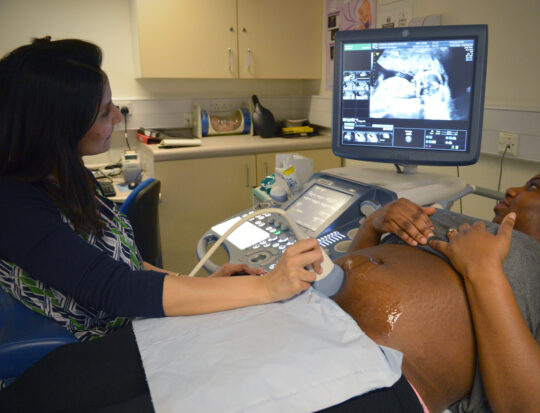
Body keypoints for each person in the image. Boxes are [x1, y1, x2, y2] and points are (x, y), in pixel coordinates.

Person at [0, 37, 325, 405]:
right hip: (83, 360)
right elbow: (114, 288)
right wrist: (268, 289)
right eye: (105, 111)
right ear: (61, 125)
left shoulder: (67, 171)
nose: (117, 117)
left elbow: (124, 264)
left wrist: (197, 285)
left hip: (128, 327)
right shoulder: (14, 204)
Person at [331, 166, 540, 412]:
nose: (511, 190)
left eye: (534, 187)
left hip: (370, 376)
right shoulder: (467, 225)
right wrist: (374, 224)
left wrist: (483, 272)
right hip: (311, 318)